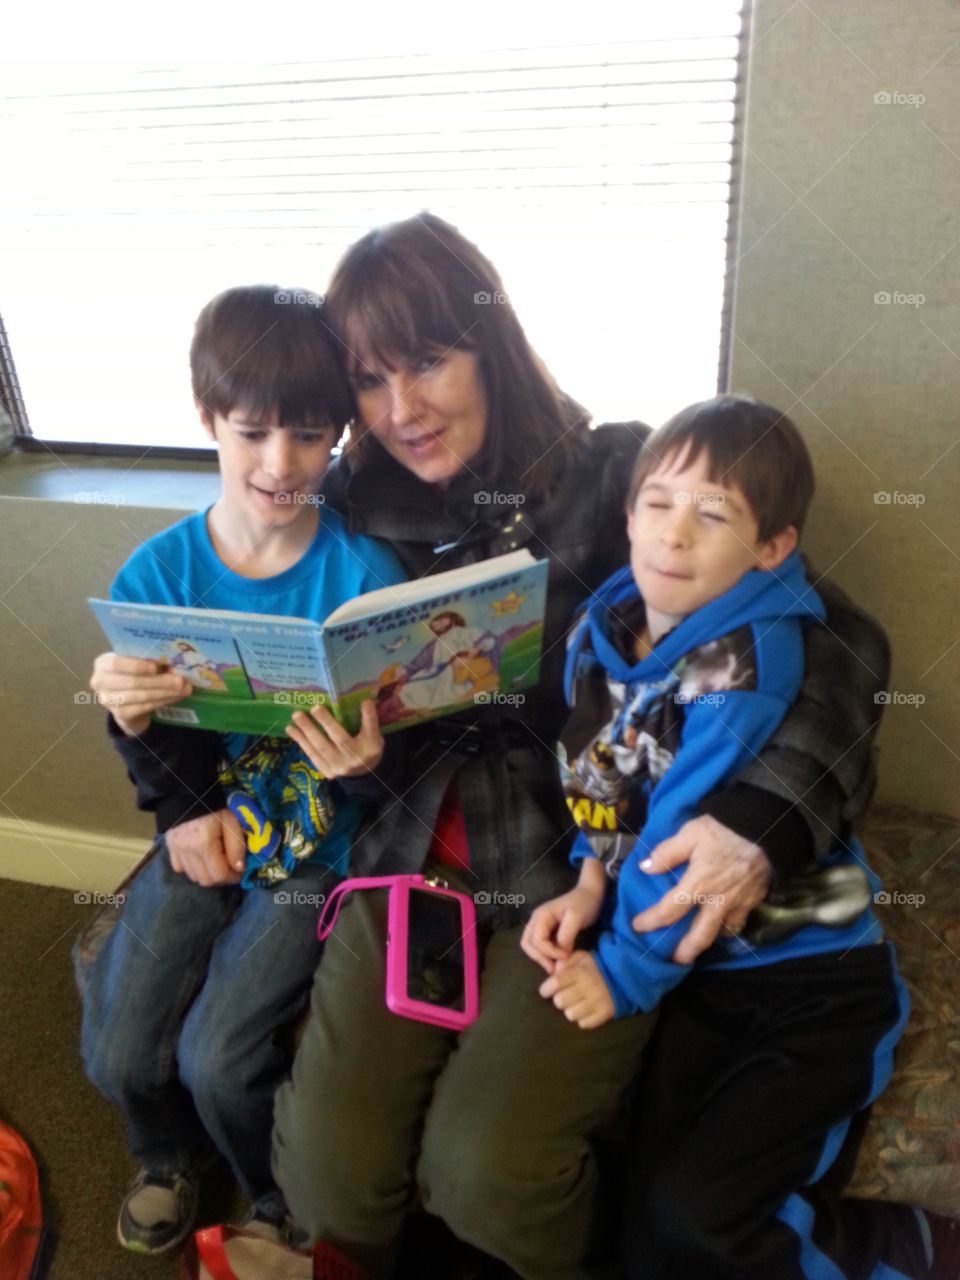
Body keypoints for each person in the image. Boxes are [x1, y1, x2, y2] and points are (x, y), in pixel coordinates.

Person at [259, 214, 890, 1280]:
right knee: (325, 1174)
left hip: (581, 860)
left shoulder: (622, 479)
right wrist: (347, 750)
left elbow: (837, 649)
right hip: (418, 848)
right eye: (371, 380)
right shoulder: (346, 521)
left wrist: (756, 822)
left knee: (487, 1165)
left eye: (427, 361)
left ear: (489, 340)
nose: (402, 409)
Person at [523, 395, 940, 1278]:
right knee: (640, 1217)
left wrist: (623, 974)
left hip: (811, 984)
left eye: (713, 515)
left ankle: (905, 1254)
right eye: (658, 504)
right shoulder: (605, 625)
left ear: (771, 548)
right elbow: (605, 782)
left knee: (699, 1226)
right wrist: (588, 883)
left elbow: (681, 838)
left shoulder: (743, 666)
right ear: (627, 514)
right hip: (709, 977)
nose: (673, 536)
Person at [80, 285, 406, 1255]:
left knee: (220, 1055)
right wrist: (166, 783)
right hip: (202, 825)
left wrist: (368, 761)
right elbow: (149, 737)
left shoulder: (365, 577)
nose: (279, 464)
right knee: (117, 1043)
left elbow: (392, 763)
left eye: (310, 437)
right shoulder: (159, 573)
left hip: (316, 847)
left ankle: (267, 1187)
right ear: (207, 417)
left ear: (340, 436)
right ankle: (164, 1151)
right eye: (253, 431)